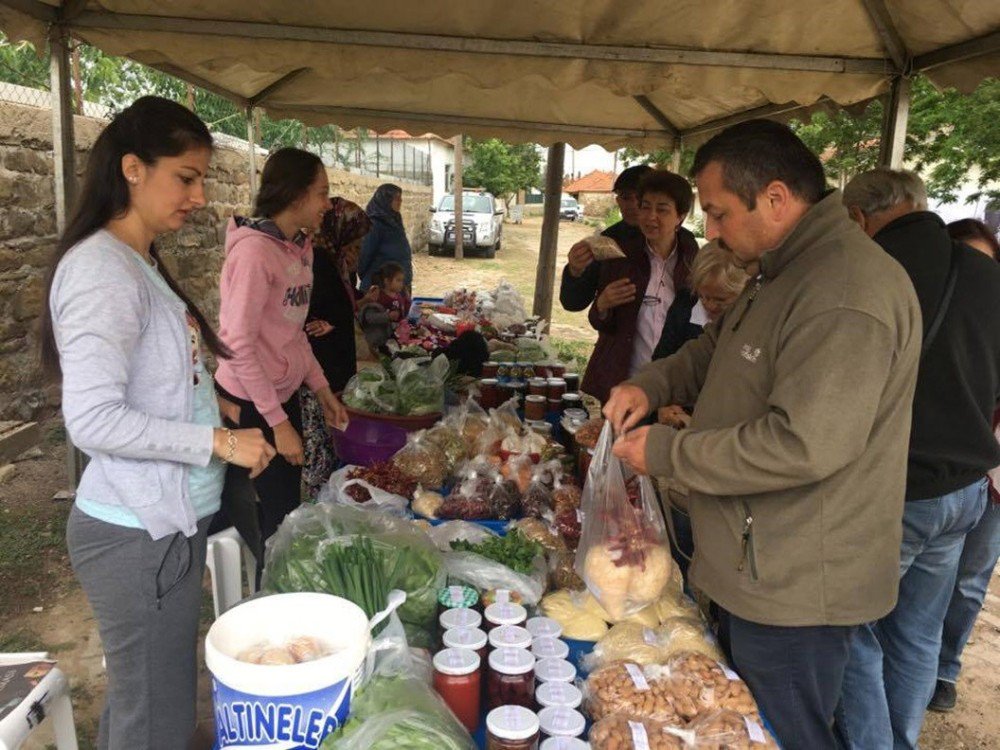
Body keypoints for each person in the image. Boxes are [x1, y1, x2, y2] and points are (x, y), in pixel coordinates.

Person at [603, 120, 921, 750]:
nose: (711, 231)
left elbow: (804, 443)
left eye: (719, 214)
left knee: (782, 730)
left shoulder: (843, 292)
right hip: (760, 559)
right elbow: (713, 350)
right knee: (739, 724)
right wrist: (653, 385)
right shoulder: (785, 270)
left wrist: (663, 451)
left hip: (797, 581)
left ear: (776, 198)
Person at [40, 96, 274, 748]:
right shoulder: (100, 270)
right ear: (133, 168)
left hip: (161, 527)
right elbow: (92, 419)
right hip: (133, 534)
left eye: (202, 179)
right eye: (187, 177)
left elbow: (151, 378)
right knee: (159, 719)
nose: (199, 196)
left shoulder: (136, 261)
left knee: (148, 699)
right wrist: (218, 440)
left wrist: (208, 403)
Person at [837, 172, 1000, 749]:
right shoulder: (987, 272)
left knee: (845, 626)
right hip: (967, 491)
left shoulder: (876, 272)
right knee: (917, 634)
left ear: (858, 219)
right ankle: (899, 740)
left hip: (899, 489)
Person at [215, 147, 348, 560]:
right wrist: (278, 423)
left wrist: (323, 390)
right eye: (322, 193)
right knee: (272, 519)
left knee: (287, 508)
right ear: (295, 196)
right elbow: (238, 345)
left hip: (278, 395)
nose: (328, 204)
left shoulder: (299, 248)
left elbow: (292, 333)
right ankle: (267, 597)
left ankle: (279, 582)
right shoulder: (255, 253)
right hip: (250, 402)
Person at [928, 218, 1000, 713]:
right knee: (926, 596)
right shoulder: (935, 323)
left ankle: (945, 669)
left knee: (971, 581)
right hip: (954, 476)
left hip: (988, 476)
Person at [650, 240, 749, 581]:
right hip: (684, 445)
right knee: (683, 535)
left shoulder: (756, 324)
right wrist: (664, 402)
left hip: (721, 448)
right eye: (704, 296)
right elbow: (666, 360)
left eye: (720, 299)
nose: (709, 305)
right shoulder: (686, 307)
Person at [578, 170, 700, 404]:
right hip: (622, 382)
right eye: (645, 206)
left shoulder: (694, 263)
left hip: (670, 389)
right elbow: (599, 320)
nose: (650, 216)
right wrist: (602, 304)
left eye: (662, 209)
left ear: (680, 216)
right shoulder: (621, 257)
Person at [301, 198, 373, 498]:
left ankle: (329, 498)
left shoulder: (337, 263)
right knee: (320, 440)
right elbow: (300, 310)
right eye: (355, 237)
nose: (359, 245)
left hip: (336, 364)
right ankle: (317, 506)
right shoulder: (315, 260)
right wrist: (322, 322)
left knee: (331, 439)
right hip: (321, 368)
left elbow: (339, 305)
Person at [559, 164, 653, 312]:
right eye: (626, 197)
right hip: (616, 332)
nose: (633, 205)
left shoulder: (681, 242)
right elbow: (573, 303)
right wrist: (575, 271)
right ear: (618, 201)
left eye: (641, 198)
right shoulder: (607, 242)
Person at [359, 183, 412, 291]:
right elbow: (365, 255)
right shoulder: (375, 224)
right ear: (385, 200)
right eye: (396, 198)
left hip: (398, 286)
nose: (400, 201)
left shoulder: (394, 220)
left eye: (400, 198)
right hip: (382, 287)